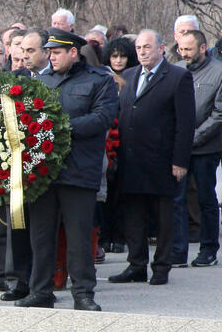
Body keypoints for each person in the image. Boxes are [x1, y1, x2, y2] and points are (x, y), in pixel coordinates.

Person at [16, 28, 118, 311]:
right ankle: (41, 291)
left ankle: (83, 293)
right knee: (41, 236)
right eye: (49, 52)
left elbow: (102, 118)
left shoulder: (99, 80)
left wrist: (59, 129)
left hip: (79, 170)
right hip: (44, 173)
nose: (51, 57)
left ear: (73, 52)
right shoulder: (42, 80)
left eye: (57, 52)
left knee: (79, 238)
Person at [109, 29, 195, 286]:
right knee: (133, 215)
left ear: (161, 49)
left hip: (161, 160)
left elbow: (185, 124)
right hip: (131, 159)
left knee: (164, 216)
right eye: (138, 48)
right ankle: (136, 265)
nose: (142, 52)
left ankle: (161, 266)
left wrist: (180, 160)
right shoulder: (129, 76)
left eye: (147, 47)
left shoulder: (178, 77)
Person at [171, 30, 222, 267]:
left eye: (188, 49)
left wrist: (193, 138)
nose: (184, 54)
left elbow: (218, 114)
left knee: (205, 198)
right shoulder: (176, 70)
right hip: (179, 147)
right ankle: (177, 251)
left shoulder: (218, 72)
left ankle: (208, 248)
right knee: (177, 198)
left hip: (206, 148)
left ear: (202, 48)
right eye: (181, 49)